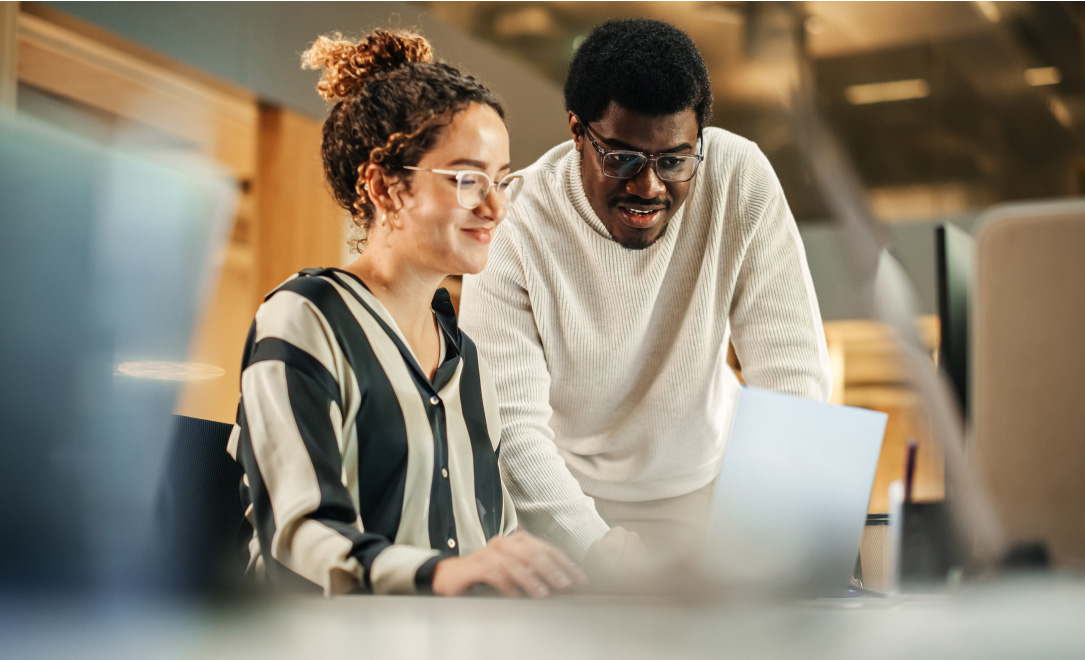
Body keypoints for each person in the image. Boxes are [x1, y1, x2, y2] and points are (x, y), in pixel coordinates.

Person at [227, 29, 586, 597]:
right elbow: (297, 537)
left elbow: (494, 542)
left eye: (501, 181)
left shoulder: (468, 362)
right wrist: (440, 575)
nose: (495, 207)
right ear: (384, 188)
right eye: (468, 179)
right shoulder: (307, 317)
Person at [460, 19, 832, 564]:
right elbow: (512, 428)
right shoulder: (515, 224)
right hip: (563, 502)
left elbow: (792, 374)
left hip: (707, 490)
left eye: (674, 160)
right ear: (576, 131)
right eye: (622, 158)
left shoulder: (738, 178)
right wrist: (597, 550)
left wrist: (768, 539)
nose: (649, 187)